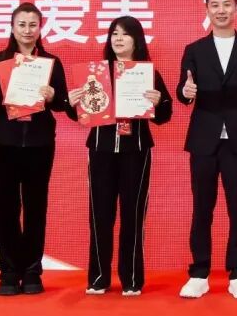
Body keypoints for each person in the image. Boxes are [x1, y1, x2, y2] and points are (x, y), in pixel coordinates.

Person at [176, 0, 237, 299]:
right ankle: (199, 271)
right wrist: (186, 92)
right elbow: (182, 91)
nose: (221, 10)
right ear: (206, 9)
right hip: (204, 138)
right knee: (202, 206)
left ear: (236, 8)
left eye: (227, 4)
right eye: (215, 5)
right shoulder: (194, 50)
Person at [68, 16, 172, 297]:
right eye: (114, 33)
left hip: (135, 151)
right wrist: (72, 102)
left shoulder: (147, 73)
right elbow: (80, 114)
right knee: (99, 214)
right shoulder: (96, 73)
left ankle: (132, 278)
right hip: (101, 150)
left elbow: (165, 114)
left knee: (133, 214)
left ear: (137, 40)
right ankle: (98, 277)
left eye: (125, 34)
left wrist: (157, 102)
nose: (118, 39)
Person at [0, 2, 68, 296]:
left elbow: (64, 104)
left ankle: (31, 271)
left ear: (40, 29)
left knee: (36, 206)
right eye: (22, 25)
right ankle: (8, 272)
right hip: (4, 143)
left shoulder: (51, 63)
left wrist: (53, 96)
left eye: (33, 25)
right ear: (12, 28)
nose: (27, 30)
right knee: (5, 207)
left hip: (40, 143)